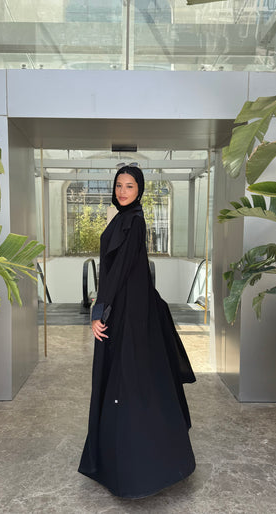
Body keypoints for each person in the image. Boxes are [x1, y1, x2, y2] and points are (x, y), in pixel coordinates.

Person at [78, 164, 196, 499]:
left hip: (128, 312)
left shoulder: (133, 220)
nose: (123, 191)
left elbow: (117, 271)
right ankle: (128, 458)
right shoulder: (123, 218)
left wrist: (99, 310)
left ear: (140, 190)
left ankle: (134, 468)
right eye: (119, 185)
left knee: (127, 378)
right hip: (128, 307)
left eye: (129, 186)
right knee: (131, 378)